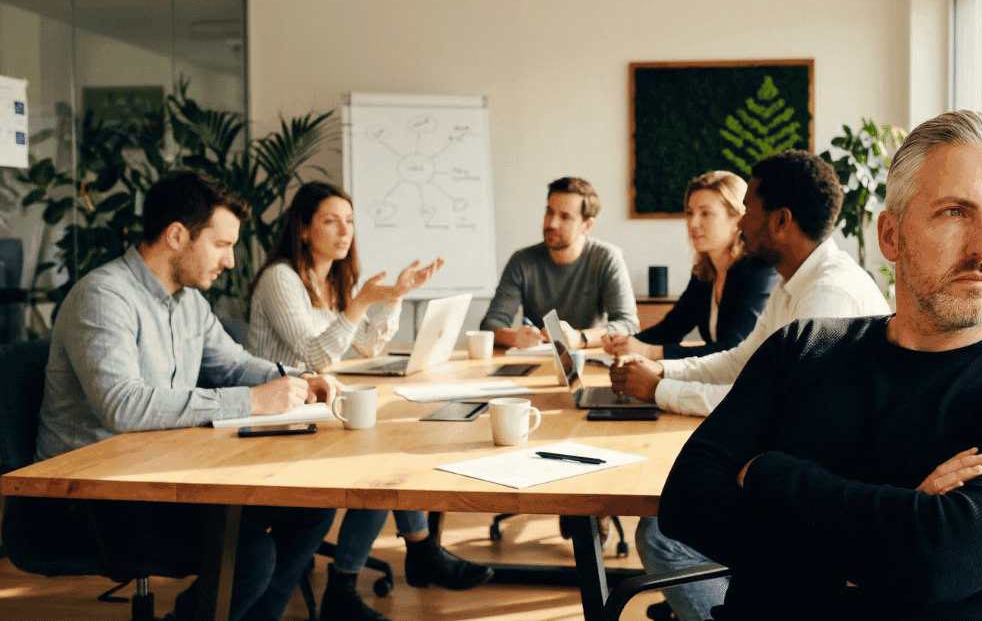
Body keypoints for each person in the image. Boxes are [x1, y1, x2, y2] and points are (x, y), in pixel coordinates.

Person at [657, 111, 982, 620]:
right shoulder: (801, 348)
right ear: (890, 237)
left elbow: (938, 560)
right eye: (956, 212)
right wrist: (898, 520)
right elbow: (686, 501)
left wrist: (765, 473)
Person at [35, 171, 338, 621]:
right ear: (178, 236)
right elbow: (122, 405)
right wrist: (252, 402)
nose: (232, 262)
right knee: (250, 556)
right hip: (93, 498)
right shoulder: (104, 297)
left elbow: (233, 363)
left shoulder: (188, 302)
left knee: (311, 506)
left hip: (159, 474)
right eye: (221, 245)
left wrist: (301, 377)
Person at [613, 150, 891, 621]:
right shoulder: (793, 284)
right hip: (791, 466)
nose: (741, 223)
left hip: (827, 496)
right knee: (672, 508)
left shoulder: (828, 296)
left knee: (661, 533)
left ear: (781, 220)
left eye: (748, 209)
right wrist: (664, 374)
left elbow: (769, 407)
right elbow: (744, 363)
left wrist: (658, 390)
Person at [248, 181, 493, 621]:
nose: (345, 232)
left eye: (350, 221)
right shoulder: (280, 279)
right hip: (280, 420)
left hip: (318, 410)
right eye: (330, 221)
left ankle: (375, 572)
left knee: (388, 449)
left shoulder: (334, 280)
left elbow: (368, 347)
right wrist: (361, 302)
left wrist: (393, 298)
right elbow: (317, 355)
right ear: (303, 229)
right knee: (379, 456)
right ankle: (413, 554)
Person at [602, 171, 777, 361]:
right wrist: (625, 343)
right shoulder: (704, 273)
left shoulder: (762, 272)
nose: (693, 223)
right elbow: (671, 329)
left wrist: (651, 352)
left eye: (706, 213)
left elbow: (734, 351)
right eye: (689, 213)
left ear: (738, 220)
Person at [481, 176, 639, 349]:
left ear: (587, 226)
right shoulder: (522, 262)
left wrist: (580, 338)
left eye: (565, 217)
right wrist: (514, 337)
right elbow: (492, 323)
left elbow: (628, 325)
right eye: (549, 212)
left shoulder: (607, 258)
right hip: (537, 359)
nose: (552, 223)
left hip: (589, 359)